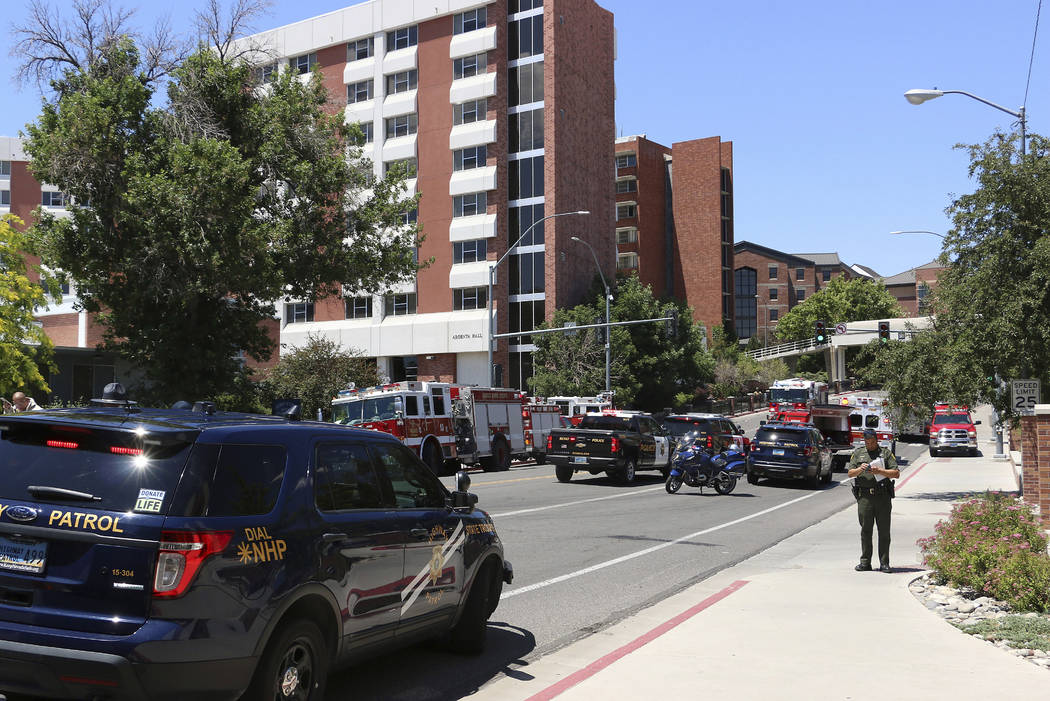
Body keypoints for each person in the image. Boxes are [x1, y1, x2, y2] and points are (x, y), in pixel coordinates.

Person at [847, 427, 900, 572]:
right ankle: (865, 562)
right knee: (865, 530)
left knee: (884, 531)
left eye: (872, 441)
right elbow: (850, 473)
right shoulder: (858, 453)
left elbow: (896, 473)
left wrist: (880, 471)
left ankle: (884, 563)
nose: (869, 444)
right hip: (865, 498)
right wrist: (860, 469)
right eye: (867, 441)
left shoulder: (885, 453)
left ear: (876, 440)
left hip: (882, 497)